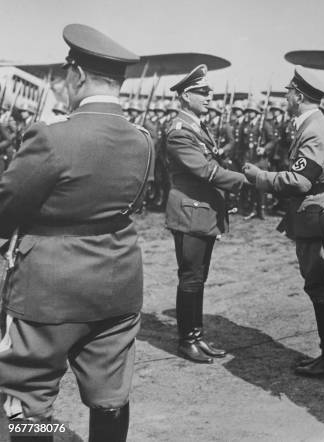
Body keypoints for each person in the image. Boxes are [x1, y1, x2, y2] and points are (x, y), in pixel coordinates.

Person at [0, 23, 151, 442]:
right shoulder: (143, 141)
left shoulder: (51, 136)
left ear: (78, 75)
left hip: (49, 287)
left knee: (26, 396)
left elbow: (5, 209)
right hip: (118, 281)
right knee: (110, 394)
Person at [243, 66, 324, 378]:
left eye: (289, 92)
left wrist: (259, 177)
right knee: (323, 285)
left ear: (299, 96)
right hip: (321, 214)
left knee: (322, 286)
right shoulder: (312, 125)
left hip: (318, 217)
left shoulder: (315, 130)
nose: (285, 95)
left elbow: (301, 181)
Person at [164, 64, 249, 363]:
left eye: (209, 91)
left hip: (202, 212)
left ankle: (196, 336)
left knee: (198, 278)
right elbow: (204, 169)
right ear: (186, 96)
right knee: (190, 277)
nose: (209, 96)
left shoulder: (197, 127)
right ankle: (187, 339)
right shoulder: (178, 130)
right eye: (202, 91)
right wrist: (246, 180)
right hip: (190, 212)